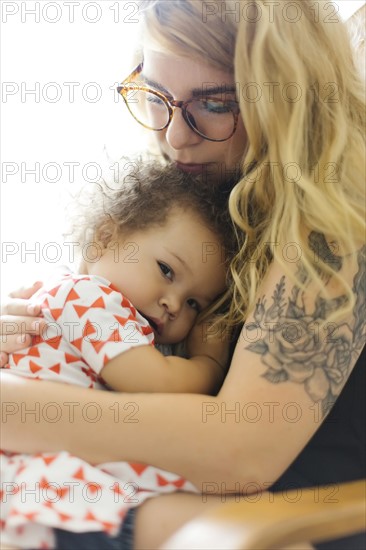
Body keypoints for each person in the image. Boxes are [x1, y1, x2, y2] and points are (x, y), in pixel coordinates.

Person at [1, 1, 365, 549]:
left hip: (277, 527)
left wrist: (15, 406)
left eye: (214, 103)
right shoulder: (206, 200)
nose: (174, 137)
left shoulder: (330, 224)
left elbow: (242, 454)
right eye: (156, 98)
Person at [1, 160, 237, 549]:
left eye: (195, 303)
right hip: (29, 467)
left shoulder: (112, 314)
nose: (174, 305)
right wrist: (208, 363)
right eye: (166, 270)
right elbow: (157, 383)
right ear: (105, 238)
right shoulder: (88, 298)